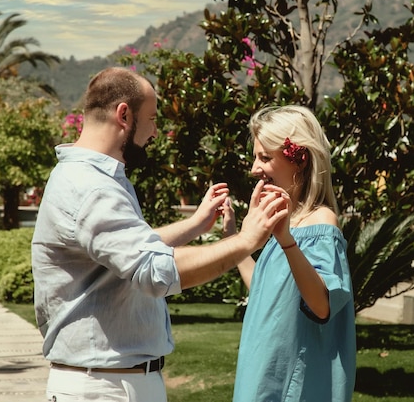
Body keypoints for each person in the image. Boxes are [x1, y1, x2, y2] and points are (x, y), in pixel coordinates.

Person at [31, 67, 288, 402]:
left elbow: (128, 248)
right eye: (151, 118)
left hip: (113, 381)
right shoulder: (90, 187)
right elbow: (153, 271)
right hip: (103, 388)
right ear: (124, 114)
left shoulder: (97, 177)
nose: (156, 131)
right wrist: (245, 241)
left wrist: (195, 224)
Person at [224, 105, 356, 402]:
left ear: (300, 160)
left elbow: (322, 304)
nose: (254, 168)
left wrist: (285, 240)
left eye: (265, 157)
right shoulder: (288, 224)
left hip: (292, 388)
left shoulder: (321, 222)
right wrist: (235, 239)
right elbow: (264, 289)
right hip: (262, 375)